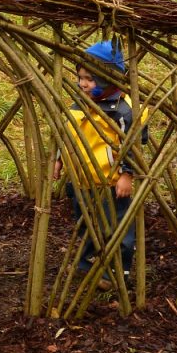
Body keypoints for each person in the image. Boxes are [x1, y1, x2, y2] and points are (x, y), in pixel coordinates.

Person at [52, 40, 148, 290]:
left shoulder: (123, 111)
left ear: (108, 78)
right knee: (86, 225)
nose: (83, 83)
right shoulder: (78, 104)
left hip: (110, 183)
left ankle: (117, 272)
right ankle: (87, 264)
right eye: (81, 77)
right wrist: (60, 160)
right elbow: (69, 136)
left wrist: (127, 174)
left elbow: (132, 147)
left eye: (90, 79)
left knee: (116, 229)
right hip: (82, 181)